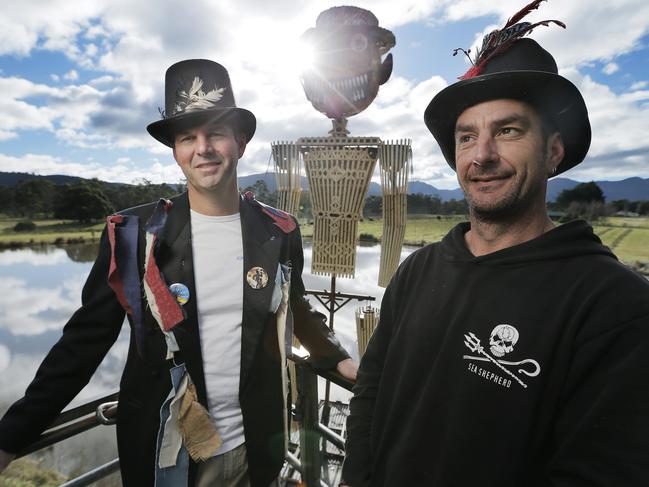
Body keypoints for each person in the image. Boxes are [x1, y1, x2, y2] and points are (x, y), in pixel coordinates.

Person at [0, 59, 357, 487]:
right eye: (188, 137)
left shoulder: (278, 229)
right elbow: (84, 341)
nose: (202, 148)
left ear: (240, 143)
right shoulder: (133, 235)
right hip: (167, 450)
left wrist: (337, 357)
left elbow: (293, 305)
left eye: (216, 134)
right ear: (176, 151)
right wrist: (11, 435)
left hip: (255, 448)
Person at [341, 3, 649, 486]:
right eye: (467, 136)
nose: (482, 155)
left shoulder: (614, 305)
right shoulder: (419, 269)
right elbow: (371, 395)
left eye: (507, 130)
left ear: (553, 150)